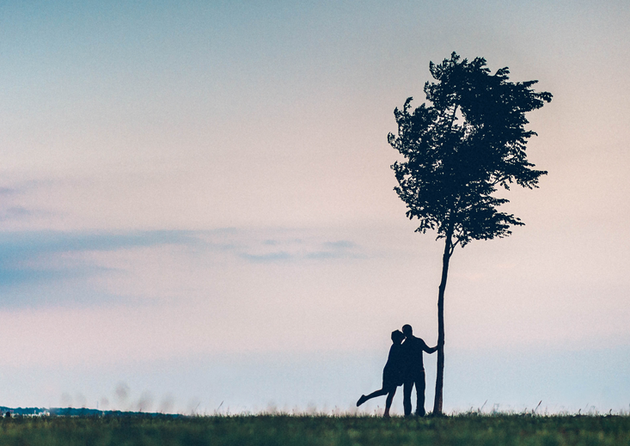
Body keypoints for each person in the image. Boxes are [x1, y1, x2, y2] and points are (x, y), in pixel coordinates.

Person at [356, 330, 405, 417]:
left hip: (391, 371)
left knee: (389, 392)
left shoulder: (396, 346)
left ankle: (386, 412)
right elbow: (399, 361)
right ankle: (367, 398)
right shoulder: (397, 347)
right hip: (391, 372)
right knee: (386, 391)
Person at [401, 324, 437, 417]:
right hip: (417, 372)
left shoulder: (405, 345)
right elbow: (429, 350)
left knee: (410, 394)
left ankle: (411, 413)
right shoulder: (417, 341)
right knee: (419, 394)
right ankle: (418, 413)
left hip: (412, 373)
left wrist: (437, 347)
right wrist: (437, 347)